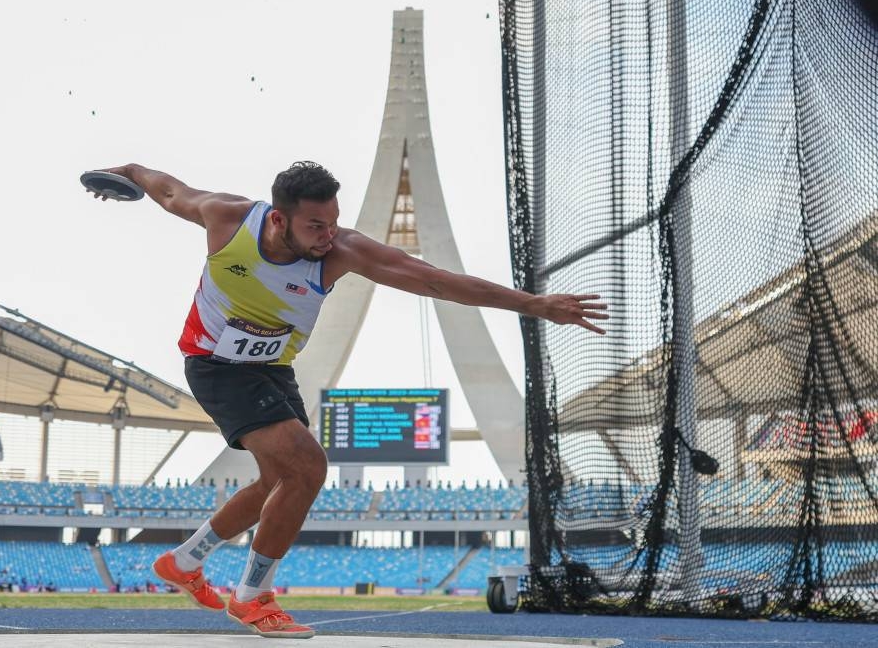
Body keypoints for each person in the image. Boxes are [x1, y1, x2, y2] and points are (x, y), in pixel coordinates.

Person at [87, 160, 608, 639]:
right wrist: (129, 172)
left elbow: (435, 282)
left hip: (272, 369)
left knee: (279, 479)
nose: (328, 236)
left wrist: (534, 305)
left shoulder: (343, 252)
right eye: (316, 226)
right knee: (309, 467)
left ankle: (185, 561)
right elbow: (170, 190)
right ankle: (252, 596)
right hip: (216, 365)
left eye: (333, 222)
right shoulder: (227, 219)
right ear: (276, 220)